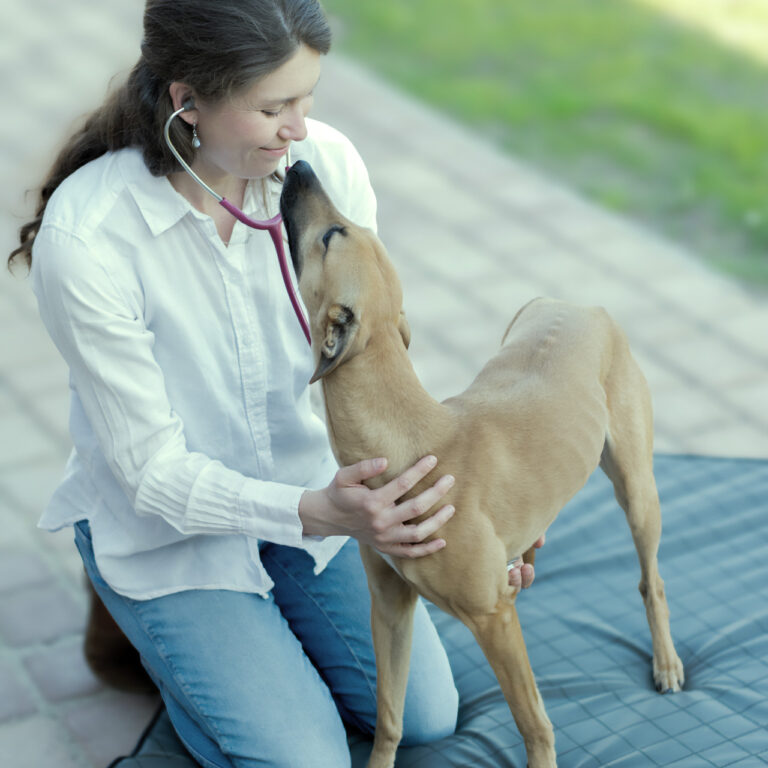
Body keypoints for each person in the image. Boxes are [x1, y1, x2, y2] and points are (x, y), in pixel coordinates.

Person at [9, 1, 540, 765]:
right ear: (187, 100)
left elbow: (377, 350)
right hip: (172, 529)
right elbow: (152, 474)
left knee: (426, 719)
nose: (300, 130)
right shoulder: (89, 238)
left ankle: (247, 651)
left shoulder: (328, 169)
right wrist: (318, 513)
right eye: (272, 108)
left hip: (313, 496)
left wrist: (492, 501)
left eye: (307, 98)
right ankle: (160, 637)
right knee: (305, 758)